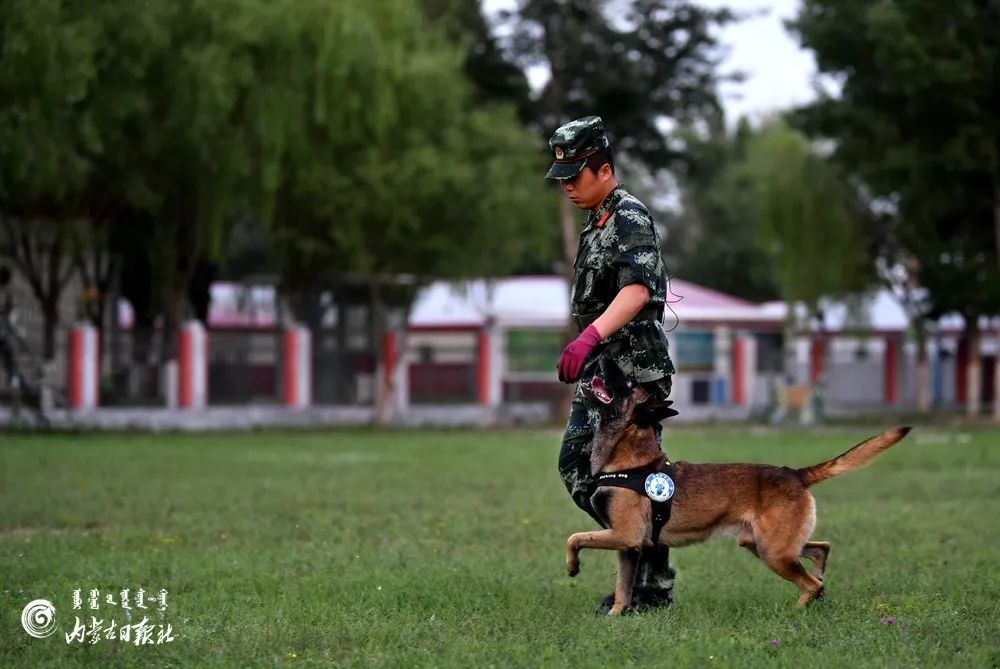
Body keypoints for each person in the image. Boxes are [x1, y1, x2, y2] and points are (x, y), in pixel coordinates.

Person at [546, 115, 677, 614]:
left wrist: (589, 335)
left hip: (636, 372)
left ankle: (651, 588)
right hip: (606, 369)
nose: (567, 189)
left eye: (574, 177)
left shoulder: (628, 216)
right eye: (561, 180)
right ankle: (636, 546)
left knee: (640, 482)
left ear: (603, 170)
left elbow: (637, 290)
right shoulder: (597, 217)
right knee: (578, 467)